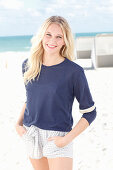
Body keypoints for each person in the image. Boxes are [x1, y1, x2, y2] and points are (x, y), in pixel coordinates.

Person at [15, 15, 96, 170]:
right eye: (49, 35)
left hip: (58, 137)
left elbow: (90, 112)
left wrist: (66, 140)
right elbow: (30, 98)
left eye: (59, 37)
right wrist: (18, 125)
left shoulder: (74, 72)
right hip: (31, 134)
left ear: (65, 40)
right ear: (41, 36)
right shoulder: (28, 65)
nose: (53, 41)